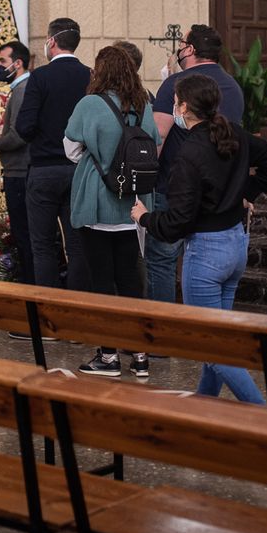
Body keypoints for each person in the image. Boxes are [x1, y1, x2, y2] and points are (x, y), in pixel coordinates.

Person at [133, 74, 267, 402]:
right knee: (217, 339)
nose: (173, 107)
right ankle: (204, 403)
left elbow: (177, 222)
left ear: (183, 107)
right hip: (235, 246)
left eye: (175, 102)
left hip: (206, 254)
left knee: (212, 346)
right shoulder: (233, 133)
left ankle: (265, 415)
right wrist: (246, 193)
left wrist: (144, 217)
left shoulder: (189, 153)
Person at [63, 45, 161, 377]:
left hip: (98, 201)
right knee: (131, 279)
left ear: (100, 71)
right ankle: (140, 354)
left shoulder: (90, 103)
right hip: (134, 204)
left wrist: (99, 157)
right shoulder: (143, 103)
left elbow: (70, 149)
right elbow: (153, 142)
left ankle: (108, 357)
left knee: (102, 280)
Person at [146, 25, 244, 305]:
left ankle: (160, 325)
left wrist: (146, 180)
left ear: (190, 49)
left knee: (162, 259)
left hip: (175, 185)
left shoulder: (176, 84)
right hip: (219, 190)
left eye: (182, 43)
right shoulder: (233, 87)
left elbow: (158, 136)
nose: (179, 47)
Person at [14, 18, 92, 291]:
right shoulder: (90, 75)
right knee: (78, 245)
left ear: (52, 41)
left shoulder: (40, 77)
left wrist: (44, 135)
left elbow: (24, 126)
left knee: (43, 245)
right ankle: (76, 304)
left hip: (45, 168)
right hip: (79, 169)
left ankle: (48, 307)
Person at [0, 41, 33, 284]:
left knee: (24, 234)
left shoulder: (23, 89)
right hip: (19, 169)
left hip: (20, 170)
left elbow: (19, 135)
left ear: (18, 63)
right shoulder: (20, 89)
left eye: (2, 61)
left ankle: (30, 287)